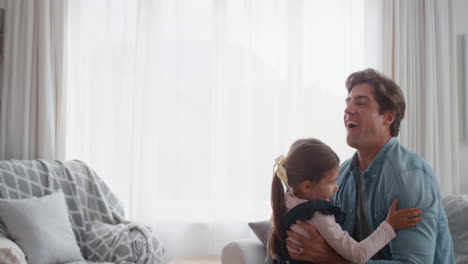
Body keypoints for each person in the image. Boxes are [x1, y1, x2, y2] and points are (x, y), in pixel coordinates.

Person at [286, 69, 455, 263]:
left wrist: (330, 259)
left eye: (361, 103)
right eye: (348, 102)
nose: (348, 110)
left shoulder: (408, 177)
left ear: (388, 117)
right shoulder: (341, 175)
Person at [267, 138, 423, 264]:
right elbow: (358, 254)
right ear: (307, 186)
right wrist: (389, 226)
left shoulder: (285, 201)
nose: (336, 188)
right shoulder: (319, 216)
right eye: (331, 182)